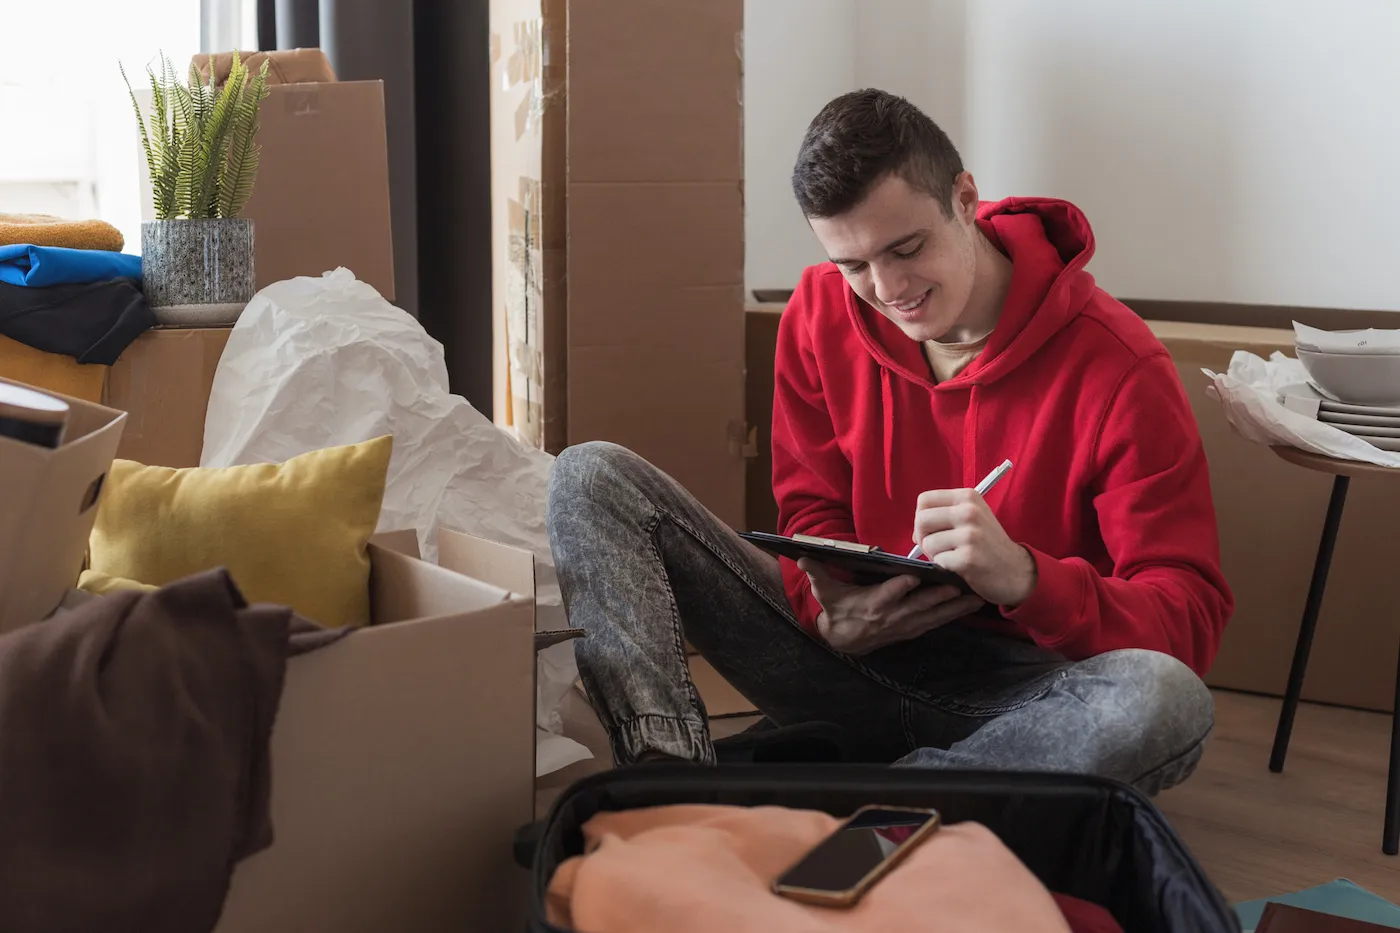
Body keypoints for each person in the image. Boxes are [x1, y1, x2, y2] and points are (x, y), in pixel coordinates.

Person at [547, 89, 1232, 794]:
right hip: (849, 664)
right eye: (854, 265)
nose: (889, 288)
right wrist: (829, 615)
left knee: (1163, 699)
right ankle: (668, 786)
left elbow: (1189, 621)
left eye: (908, 248)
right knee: (590, 475)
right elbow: (812, 518)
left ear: (965, 199)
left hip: (1023, 696)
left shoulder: (1120, 364)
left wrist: (1028, 577)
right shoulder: (817, 314)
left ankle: (872, 805)